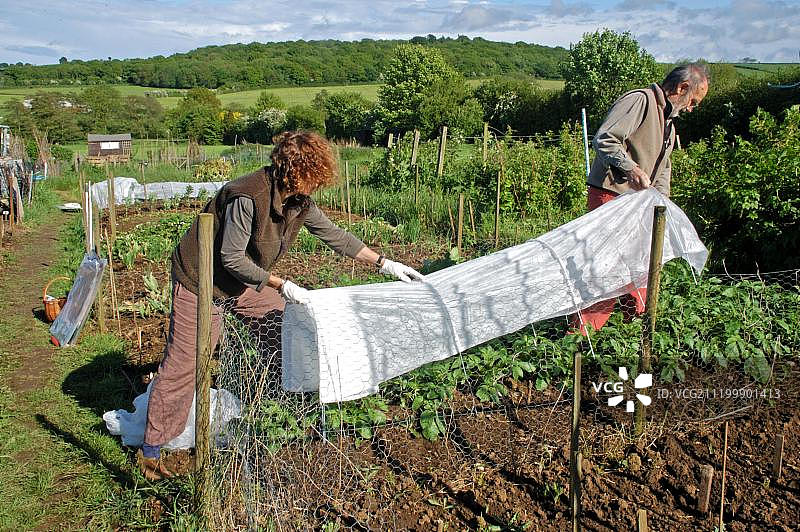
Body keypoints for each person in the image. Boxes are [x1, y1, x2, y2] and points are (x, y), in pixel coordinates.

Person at [138, 131, 424, 479]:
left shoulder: (299, 202)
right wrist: (282, 283)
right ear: (294, 172)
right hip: (202, 280)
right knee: (188, 361)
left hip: (244, 281)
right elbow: (230, 257)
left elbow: (336, 236)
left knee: (284, 326)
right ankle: (152, 452)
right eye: (312, 177)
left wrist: (385, 264)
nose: (317, 185)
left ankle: (281, 399)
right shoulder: (247, 196)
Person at [572, 63, 709, 334]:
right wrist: (630, 168)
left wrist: (663, 205)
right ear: (681, 88)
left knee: (640, 266)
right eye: (693, 101)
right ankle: (581, 337)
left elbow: (663, 169)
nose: (692, 108)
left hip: (638, 204)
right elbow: (605, 138)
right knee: (608, 268)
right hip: (612, 196)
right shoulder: (640, 101)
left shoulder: (668, 123)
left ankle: (630, 332)